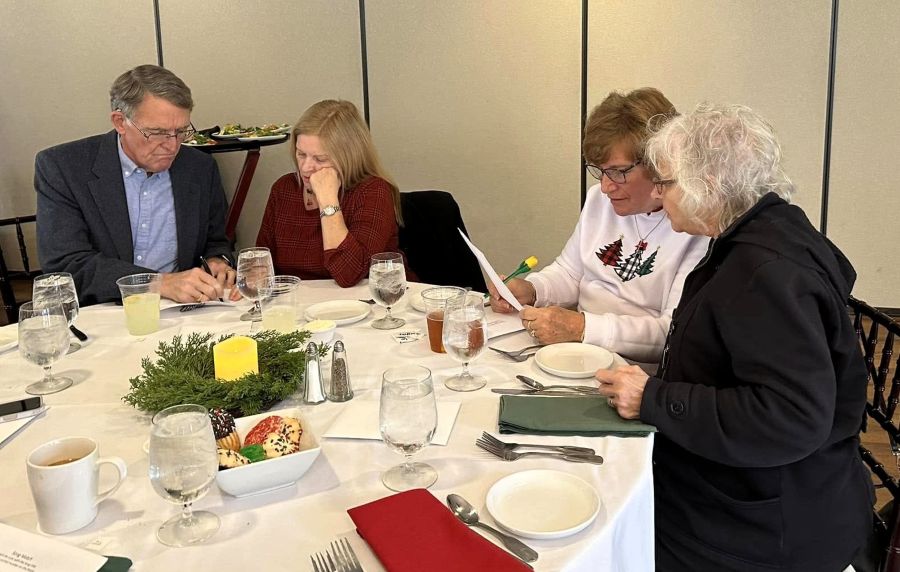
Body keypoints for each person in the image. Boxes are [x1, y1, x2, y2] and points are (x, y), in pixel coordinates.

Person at [596, 103, 873, 571]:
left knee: (607, 531)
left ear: (708, 185)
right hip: (760, 492)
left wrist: (653, 399)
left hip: (765, 524)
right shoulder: (770, 229)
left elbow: (791, 418)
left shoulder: (764, 274)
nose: (658, 195)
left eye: (666, 183)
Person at [489, 88, 708, 363]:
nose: (605, 187)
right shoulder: (599, 200)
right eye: (600, 171)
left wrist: (582, 328)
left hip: (635, 369)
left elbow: (671, 332)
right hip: (578, 353)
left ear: (660, 163)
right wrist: (532, 290)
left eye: (618, 172)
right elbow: (570, 272)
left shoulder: (696, 226)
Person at [35, 64, 234, 306]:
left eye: (181, 131)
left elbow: (216, 241)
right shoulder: (65, 168)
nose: (172, 146)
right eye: (157, 132)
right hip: (101, 309)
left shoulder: (199, 167)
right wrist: (157, 283)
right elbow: (66, 265)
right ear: (120, 122)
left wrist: (217, 261)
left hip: (183, 310)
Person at [256, 99, 408, 287]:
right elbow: (262, 265)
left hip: (364, 300)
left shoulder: (373, 191)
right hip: (299, 300)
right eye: (301, 154)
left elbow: (348, 274)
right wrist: (253, 277)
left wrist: (327, 200)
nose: (305, 167)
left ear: (348, 157)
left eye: (320, 159)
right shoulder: (284, 189)